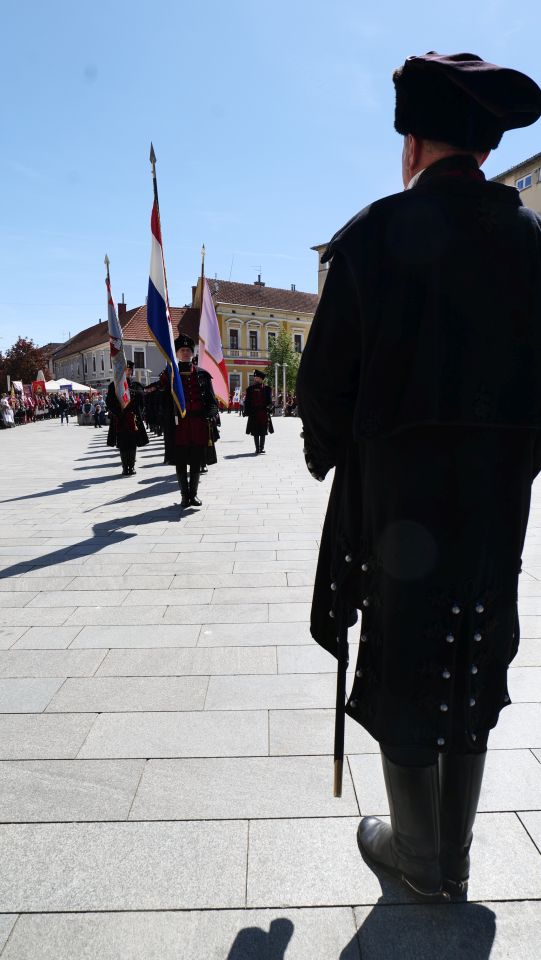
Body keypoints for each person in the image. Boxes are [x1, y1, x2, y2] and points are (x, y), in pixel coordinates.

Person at [296, 52, 541, 903]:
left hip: (398, 510)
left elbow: (321, 391)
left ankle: (416, 851)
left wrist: (335, 447)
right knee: (473, 650)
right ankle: (454, 855)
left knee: (404, 653)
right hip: (494, 512)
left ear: (412, 145)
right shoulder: (533, 246)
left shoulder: (371, 235)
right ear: (482, 148)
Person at [162, 334, 219, 508]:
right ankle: (184, 496)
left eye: (188, 350)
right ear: (177, 353)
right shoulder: (170, 376)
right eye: (182, 350)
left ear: (192, 353)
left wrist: (209, 415)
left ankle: (193, 495)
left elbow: (212, 402)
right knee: (180, 463)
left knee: (196, 461)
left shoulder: (202, 375)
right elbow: (163, 403)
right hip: (179, 426)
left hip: (198, 425)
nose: (186, 353)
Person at [106, 360, 148, 475]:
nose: (128, 372)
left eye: (129, 370)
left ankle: (132, 466)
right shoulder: (113, 385)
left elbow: (142, 400)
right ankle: (125, 467)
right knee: (123, 444)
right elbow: (109, 402)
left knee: (133, 443)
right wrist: (118, 412)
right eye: (126, 370)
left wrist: (129, 392)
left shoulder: (135, 385)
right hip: (120, 418)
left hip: (133, 419)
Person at [244, 370, 273, 454]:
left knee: (263, 431)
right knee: (255, 432)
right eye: (255, 377)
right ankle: (257, 448)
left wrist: (269, 408)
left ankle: (262, 448)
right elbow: (247, 401)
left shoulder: (267, 389)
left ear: (261, 379)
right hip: (254, 413)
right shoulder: (250, 389)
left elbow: (270, 402)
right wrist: (247, 412)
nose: (255, 379)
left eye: (256, 378)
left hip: (263, 413)